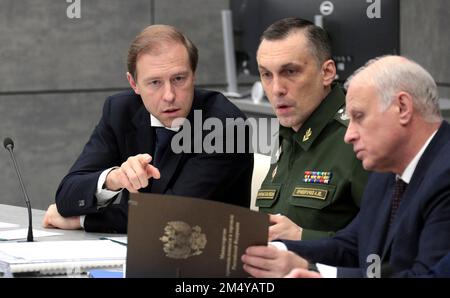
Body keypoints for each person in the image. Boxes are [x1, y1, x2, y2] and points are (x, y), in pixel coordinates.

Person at [242, 55, 450, 278]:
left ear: (402, 107)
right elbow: (352, 244)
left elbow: (427, 275)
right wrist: (276, 251)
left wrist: (319, 274)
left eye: (358, 117)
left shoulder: (445, 175)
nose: (348, 136)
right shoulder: (387, 171)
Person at [42, 25, 253, 233]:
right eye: (155, 83)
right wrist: (113, 179)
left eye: (179, 79)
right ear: (133, 83)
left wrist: (83, 220)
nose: (169, 95)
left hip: (206, 258)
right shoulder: (120, 111)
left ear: (193, 75)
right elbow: (67, 195)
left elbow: (173, 215)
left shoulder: (225, 126)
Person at [254, 17, 368, 241]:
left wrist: (303, 237)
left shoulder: (359, 138)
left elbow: (389, 250)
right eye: (266, 74)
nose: (276, 89)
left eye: (290, 72)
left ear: (326, 72)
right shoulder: (289, 132)